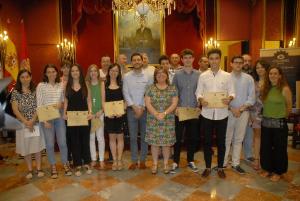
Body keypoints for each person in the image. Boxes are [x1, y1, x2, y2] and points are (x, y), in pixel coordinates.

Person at [196, 48, 235, 179]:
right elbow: (198, 92)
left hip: (222, 114)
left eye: (216, 58)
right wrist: (201, 99)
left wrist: (229, 98)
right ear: (208, 60)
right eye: (211, 59)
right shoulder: (203, 76)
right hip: (206, 114)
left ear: (220, 59)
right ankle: (207, 167)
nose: (214, 61)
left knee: (221, 142)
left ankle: (220, 167)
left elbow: (232, 92)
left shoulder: (227, 76)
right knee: (207, 142)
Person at [37, 64, 72, 179]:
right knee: (50, 144)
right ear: (45, 74)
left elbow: (63, 102)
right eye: (49, 72)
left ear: (57, 73)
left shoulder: (60, 85)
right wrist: (44, 120)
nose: (51, 74)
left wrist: (61, 104)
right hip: (47, 119)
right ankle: (53, 166)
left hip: (59, 117)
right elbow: (39, 104)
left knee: (62, 142)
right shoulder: (41, 86)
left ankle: (65, 163)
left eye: (53, 71)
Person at [223, 56, 255, 174]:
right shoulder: (226, 77)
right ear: (231, 64)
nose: (238, 65)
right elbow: (223, 96)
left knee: (238, 139)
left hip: (243, 112)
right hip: (228, 111)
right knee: (226, 138)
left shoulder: (249, 78)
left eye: (240, 63)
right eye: (236, 62)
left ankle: (236, 163)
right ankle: (223, 162)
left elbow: (251, 98)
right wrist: (232, 108)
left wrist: (240, 109)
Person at [260, 66, 292, 182]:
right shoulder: (266, 88)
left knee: (279, 148)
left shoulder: (285, 89)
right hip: (266, 123)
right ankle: (267, 169)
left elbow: (289, 106)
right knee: (266, 147)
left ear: (280, 75)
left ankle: (278, 172)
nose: (272, 76)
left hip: (279, 124)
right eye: (270, 74)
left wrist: (282, 117)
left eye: (275, 73)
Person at [11, 69, 45, 179]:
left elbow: (39, 106)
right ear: (19, 79)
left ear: (30, 77)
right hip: (22, 124)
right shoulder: (16, 92)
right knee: (26, 148)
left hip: (35, 123)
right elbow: (15, 110)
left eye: (27, 77)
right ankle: (30, 170)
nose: (25, 79)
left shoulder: (35, 90)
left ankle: (39, 168)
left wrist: (32, 120)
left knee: (37, 147)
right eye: (22, 77)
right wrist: (26, 122)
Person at [171, 49, 200, 174]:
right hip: (180, 111)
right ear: (182, 60)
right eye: (185, 58)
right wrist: (176, 107)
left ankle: (190, 160)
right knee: (177, 137)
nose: (188, 60)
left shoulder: (199, 75)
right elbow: (174, 92)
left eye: (190, 57)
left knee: (192, 137)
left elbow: (201, 92)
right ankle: (175, 161)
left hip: (194, 110)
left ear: (193, 59)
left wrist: (200, 106)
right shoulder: (177, 75)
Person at [145, 67, 178, 174]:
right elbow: (147, 103)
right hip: (153, 119)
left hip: (167, 119)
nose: (160, 75)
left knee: (166, 143)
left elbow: (174, 103)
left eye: (163, 73)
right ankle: (154, 164)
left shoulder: (173, 88)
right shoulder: (150, 88)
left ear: (167, 75)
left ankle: (165, 163)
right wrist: (156, 114)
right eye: (158, 73)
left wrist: (164, 113)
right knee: (154, 143)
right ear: (155, 76)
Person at [123, 53, 151, 170]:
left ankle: (143, 160)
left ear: (142, 61)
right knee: (133, 137)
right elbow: (125, 92)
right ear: (131, 62)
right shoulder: (127, 76)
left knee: (145, 136)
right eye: (134, 60)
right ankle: (134, 160)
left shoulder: (148, 76)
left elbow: (148, 93)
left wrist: (143, 106)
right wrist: (134, 107)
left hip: (145, 109)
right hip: (131, 110)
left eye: (138, 60)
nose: (137, 62)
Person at [64, 64, 93, 176]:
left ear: (80, 72)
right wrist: (64, 113)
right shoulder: (67, 85)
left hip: (84, 117)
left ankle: (87, 162)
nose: (75, 73)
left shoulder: (86, 84)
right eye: (72, 71)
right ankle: (77, 165)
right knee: (74, 141)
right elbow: (66, 101)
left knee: (85, 140)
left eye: (77, 70)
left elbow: (89, 100)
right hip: (71, 118)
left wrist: (90, 113)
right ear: (70, 73)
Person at [102, 63, 126, 171]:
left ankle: (120, 160)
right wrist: (107, 112)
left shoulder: (122, 84)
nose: (113, 72)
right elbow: (103, 100)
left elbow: (125, 100)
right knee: (112, 138)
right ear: (109, 71)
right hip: (109, 116)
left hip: (120, 115)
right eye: (112, 70)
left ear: (118, 72)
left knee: (120, 138)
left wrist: (123, 110)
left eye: (116, 71)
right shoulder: (104, 84)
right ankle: (114, 160)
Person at [249, 60, 270, 170]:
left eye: (262, 67)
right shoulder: (253, 82)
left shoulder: (271, 82)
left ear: (266, 68)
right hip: (255, 113)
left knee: (267, 137)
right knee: (257, 137)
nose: (260, 69)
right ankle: (256, 159)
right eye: (257, 67)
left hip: (269, 113)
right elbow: (250, 98)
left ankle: (266, 160)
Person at [85, 64, 105, 169]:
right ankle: (93, 158)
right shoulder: (87, 83)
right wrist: (90, 112)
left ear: (98, 72)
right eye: (91, 71)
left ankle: (101, 159)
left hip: (100, 114)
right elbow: (88, 99)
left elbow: (103, 99)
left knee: (100, 137)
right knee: (91, 138)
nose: (93, 73)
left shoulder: (101, 83)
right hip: (91, 115)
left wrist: (101, 111)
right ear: (89, 73)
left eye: (95, 71)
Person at [242, 54, 255, 163]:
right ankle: (232, 155)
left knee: (249, 133)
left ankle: (249, 154)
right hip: (235, 109)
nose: (247, 63)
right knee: (233, 135)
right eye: (244, 60)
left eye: (249, 61)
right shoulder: (231, 75)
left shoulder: (254, 75)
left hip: (250, 109)